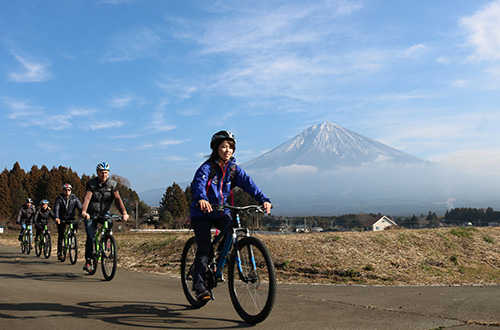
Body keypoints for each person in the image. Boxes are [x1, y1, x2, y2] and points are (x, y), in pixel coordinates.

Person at [190, 130, 272, 302]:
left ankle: (220, 259)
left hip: (221, 210)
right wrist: (201, 199)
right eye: (224, 147)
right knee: (204, 248)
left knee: (232, 229)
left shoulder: (234, 169)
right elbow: (198, 184)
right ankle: (198, 286)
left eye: (231, 147)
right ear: (216, 148)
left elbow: (250, 185)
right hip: (202, 212)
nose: (227, 150)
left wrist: (263, 199)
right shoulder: (207, 168)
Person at [81, 162, 129, 272]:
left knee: (109, 222)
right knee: (91, 237)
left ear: (108, 173)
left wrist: (124, 212)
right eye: (101, 172)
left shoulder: (112, 185)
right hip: (91, 213)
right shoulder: (91, 184)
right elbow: (87, 198)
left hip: (104, 212)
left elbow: (117, 199)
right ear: (97, 173)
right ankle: (88, 261)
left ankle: (107, 242)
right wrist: (84, 211)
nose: (104, 175)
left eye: (106, 172)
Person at [54, 183, 83, 261]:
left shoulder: (74, 198)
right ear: (63, 190)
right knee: (61, 235)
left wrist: (83, 214)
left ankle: (73, 236)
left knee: (75, 224)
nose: (67, 191)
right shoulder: (59, 199)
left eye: (69, 190)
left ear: (71, 191)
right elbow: (56, 208)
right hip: (61, 218)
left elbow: (80, 207)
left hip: (71, 217)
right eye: (65, 190)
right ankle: (60, 252)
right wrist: (56, 217)